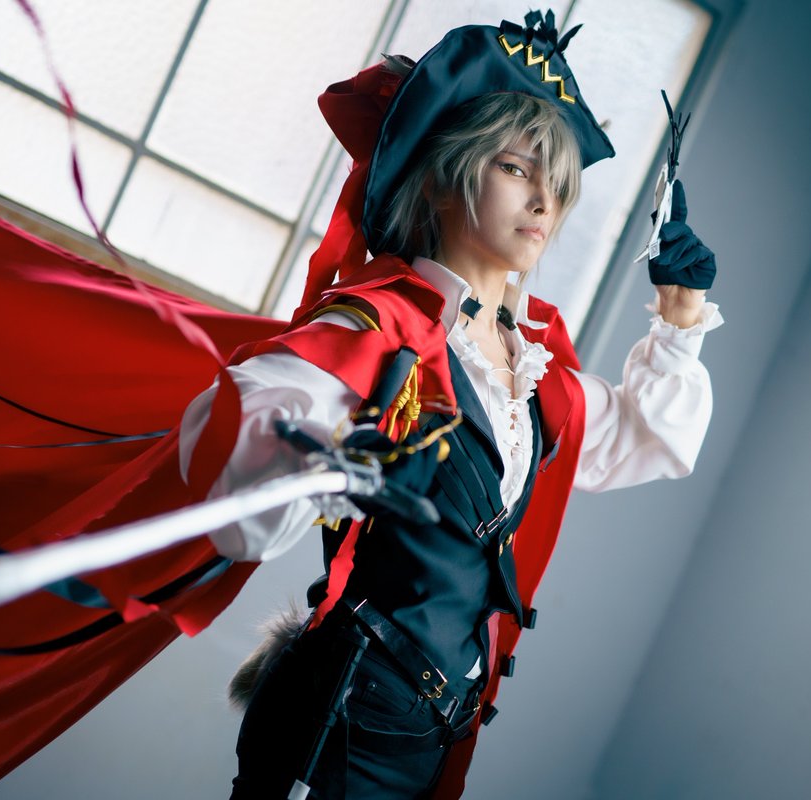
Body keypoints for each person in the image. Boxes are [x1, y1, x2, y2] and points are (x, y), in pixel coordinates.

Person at [177, 10, 721, 799]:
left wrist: (680, 315)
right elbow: (245, 463)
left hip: (430, 740)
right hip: (337, 722)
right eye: (516, 168)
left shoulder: (534, 369)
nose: (545, 199)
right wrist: (322, 456)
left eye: (558, 180)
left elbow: (644, 437)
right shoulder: (379, 329)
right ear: (441, 176)